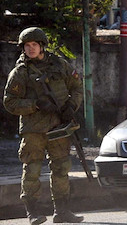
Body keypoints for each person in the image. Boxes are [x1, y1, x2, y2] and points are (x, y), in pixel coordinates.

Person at [3, 27, 84, 224]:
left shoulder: (59, 65)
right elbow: (9, 102)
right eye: (27, 46)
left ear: (42, 46)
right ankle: (33, 213)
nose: (31, 49)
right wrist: (35, 105)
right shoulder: (20, 73)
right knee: (32, 170)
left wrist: (71, 106)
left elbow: (77, 87)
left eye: (34, 45)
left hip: (58, 127)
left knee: (61, 168)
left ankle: (62, 211)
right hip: (34, 130)